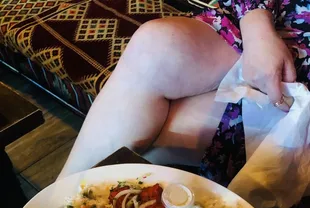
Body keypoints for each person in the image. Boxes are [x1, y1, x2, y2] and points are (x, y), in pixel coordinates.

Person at [57, 0, 310, 184]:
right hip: (273, 17)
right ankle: (55, 207)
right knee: (155, 47)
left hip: (300, 87)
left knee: (159, 129)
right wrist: (258, 31)